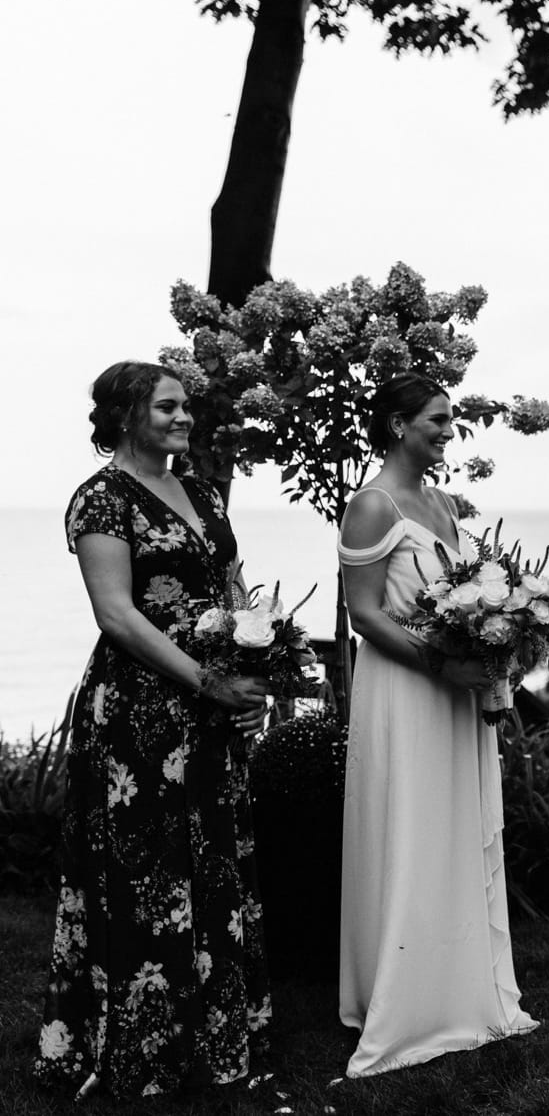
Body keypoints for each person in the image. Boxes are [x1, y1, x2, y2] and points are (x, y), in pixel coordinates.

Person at [37, 361, 272, 1099]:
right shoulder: (101, 500)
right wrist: (204, 678)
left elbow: (230, 589)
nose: (183, 418)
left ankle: (216, 1039)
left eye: (186, 407)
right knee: (144, 872)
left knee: (212, 864)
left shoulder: (201, 490)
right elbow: (118, 614)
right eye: (167, 406)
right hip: (138, 713)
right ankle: (138, 1048)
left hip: (209, 709)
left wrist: (252, 669)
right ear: (126, 413)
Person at [336, 373, 538, 1076]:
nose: (449, 431)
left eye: (450, 420)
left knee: (453, 825)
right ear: (396, 424)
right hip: (405, 689)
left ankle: (460, 985)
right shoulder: (372, 504)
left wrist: (496, 652)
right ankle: (405, 996)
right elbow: (364, 613)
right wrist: (439, 662)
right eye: (436, 419)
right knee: (413, 827)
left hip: (457, 691)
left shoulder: (445, 502)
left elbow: (469, 595)